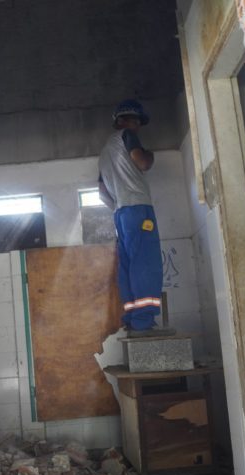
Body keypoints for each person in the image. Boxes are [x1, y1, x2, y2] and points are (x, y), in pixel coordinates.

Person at [98, 99, 169, 336]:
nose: (137, 126)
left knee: (127, 266)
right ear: (126, 121)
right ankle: (143, 322)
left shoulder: (104, 153)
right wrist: (150, 156)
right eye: (136, 121)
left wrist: (119, 205)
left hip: (120, 213)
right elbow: (142, 162)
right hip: (138, 208)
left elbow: (101, 192)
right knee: (145, 263)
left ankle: (130, 318)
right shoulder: (127, 136)